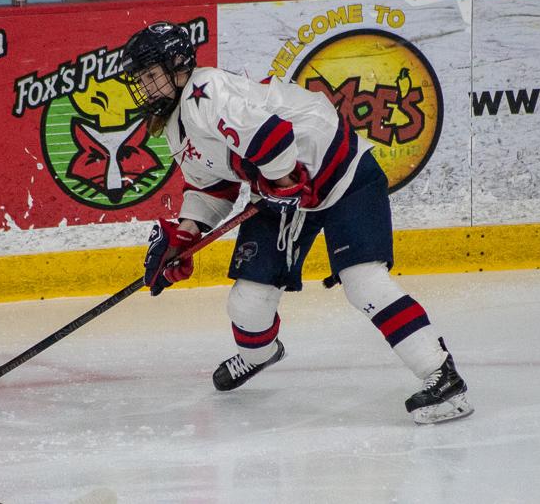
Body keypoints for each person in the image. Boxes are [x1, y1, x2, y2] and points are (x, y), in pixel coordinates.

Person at [120, 22, 473, 424]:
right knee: (247, 302)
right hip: (282, 191)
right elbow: (211, 187)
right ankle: (259, 354)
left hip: (343, 176)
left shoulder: (207, 91)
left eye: (150, 76)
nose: (145, 88)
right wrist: (184, 236)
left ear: (178, 65)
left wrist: (283, 179)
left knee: (364, 283)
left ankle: (442, 377)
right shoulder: (174, 127)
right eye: (141, 80)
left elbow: (273, 136)